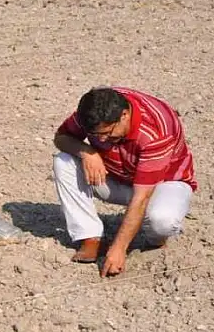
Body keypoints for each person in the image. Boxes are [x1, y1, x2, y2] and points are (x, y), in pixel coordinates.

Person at [53, 87, 197, 277]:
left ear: (124, 115)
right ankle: (90, 237)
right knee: (63, 162)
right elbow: (61, 138)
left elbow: (142, 196)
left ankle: (155, 239)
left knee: (162, 221)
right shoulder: (93, 112)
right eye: (95, 135)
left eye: (107, 133)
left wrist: (119, 248)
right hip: (115, 177)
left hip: (162, 184)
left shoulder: (156, 131)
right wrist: (87, 152)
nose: (102, 139)